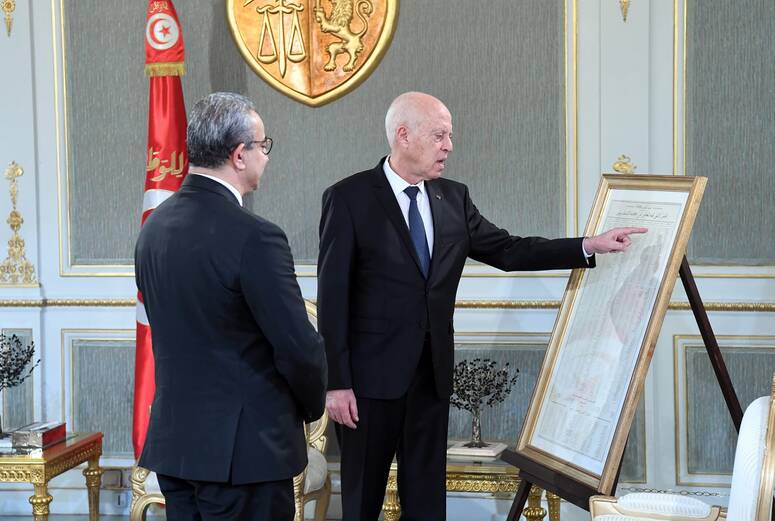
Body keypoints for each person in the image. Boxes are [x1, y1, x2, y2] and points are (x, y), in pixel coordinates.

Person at [317, 91, 646, 520]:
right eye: (439, 136)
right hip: (366, 385)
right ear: (403, 135)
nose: (449, 146)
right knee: (361, 505)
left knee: (426, 505)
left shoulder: (454, 197)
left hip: (430, 378)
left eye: (449, 136)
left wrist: (587, 246)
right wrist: (336, 383)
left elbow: (509, 250)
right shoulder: (349, 198)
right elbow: (333, 296)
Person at [135, 92, 327, 521]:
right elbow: (298, 347)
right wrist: (311, 408)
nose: (266, 156)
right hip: (246, 457)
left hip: (177, 448)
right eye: (263, 145)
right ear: (239, 155)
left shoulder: (153, 229)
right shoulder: (256, 237)